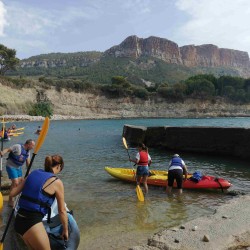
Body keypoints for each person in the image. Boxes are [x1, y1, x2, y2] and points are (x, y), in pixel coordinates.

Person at [10, 155, 68, 249]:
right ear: (58, 166)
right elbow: (62, 211)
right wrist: (65, 230)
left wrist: (20, 181)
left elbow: (12, 193)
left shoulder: (33, 173)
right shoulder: (57, 182)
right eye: (60, 169)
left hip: (19, 221)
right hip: (32, 222)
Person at [0, 139, 35, 206]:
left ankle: (15, 197)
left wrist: (29, 172)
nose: (33, 147)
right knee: (15, 182)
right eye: (32, 145)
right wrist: (3, 152)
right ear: (28, 144)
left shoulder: (28, 152)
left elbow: (28, 163)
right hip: (11, 166)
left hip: (18, 168)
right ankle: (10, 200)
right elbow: (7, 149)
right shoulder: (18, 147)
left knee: (19, 182)